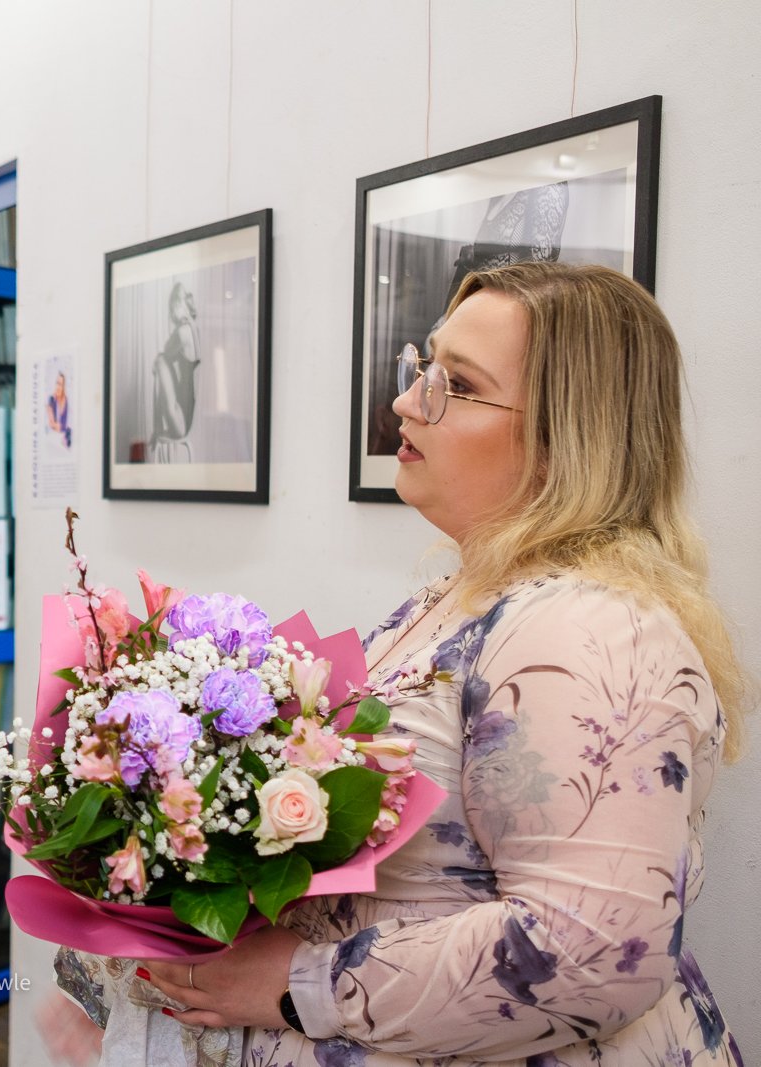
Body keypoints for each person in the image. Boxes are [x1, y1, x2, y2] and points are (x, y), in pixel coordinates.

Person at [129, 262, 747, 1062]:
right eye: (422, 369)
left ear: (568, 435)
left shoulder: (589, 627)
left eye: (455, 384)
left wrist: (307, 983)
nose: (405, 402)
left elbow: (594, 952)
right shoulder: (471, 592)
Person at [149, 282, 200, 463]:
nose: (170, 315)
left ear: (176, 307)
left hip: (180, 421)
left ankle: (155, 430)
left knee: (160, 360)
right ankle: (156, 429)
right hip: (188, 419)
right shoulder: (193, 329)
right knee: (162, 363)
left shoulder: (182, 332)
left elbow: (166, 350)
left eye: (171, 309)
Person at [47, 371, 72, 447]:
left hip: (62, 441)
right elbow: (51, 424)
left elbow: (63, 427)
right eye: (57, 383)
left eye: (61, 384)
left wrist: (56, 425)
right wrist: (55, 425)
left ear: (63, 387)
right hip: (53, 439)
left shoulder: (66, 400)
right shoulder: (51, 399)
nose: (58, 387)